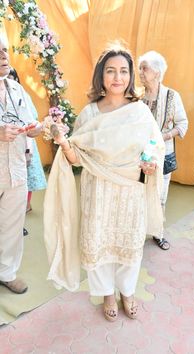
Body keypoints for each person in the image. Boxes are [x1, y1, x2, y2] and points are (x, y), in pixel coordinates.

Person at [44, 44, 165, 321]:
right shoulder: (89, 114)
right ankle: (107, 293)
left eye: (123, 71)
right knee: (98, 241)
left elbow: (156, 146)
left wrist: (151, 163)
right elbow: (76, 159)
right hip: (97, 190)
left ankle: (127, 291)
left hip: (129, 190)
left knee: (129, 243)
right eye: (111, 71)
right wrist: (62, 141)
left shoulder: (139, 112)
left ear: (131, 76)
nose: (117, 77)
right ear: (101, 75)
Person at [0, 35, 42, 294]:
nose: (3, 56)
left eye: (4, 50)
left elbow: (30, 121)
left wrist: (35, 129)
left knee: (12, 224)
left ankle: (6, 271)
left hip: (16, 168)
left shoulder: (15, 89)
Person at [138, 51, 188, 250]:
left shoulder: (172, 96)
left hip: (162, 154)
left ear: (157, 72)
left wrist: (163, 137)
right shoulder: (137, 97)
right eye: (140, 68)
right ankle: (138, 231)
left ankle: (158, 233)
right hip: (140, 155)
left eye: (145, 68)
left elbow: (183, 124)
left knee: (160, 195)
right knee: (139, 193)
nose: (140, 72)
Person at [8, 68, 47, 217]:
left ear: (17, 80)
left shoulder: (23, 95)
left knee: (27, 175)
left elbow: (33, 117)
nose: (9, 82)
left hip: (26, 141)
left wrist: (34, 126)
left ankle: (26, 205)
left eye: (12, 79)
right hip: (7, 143)